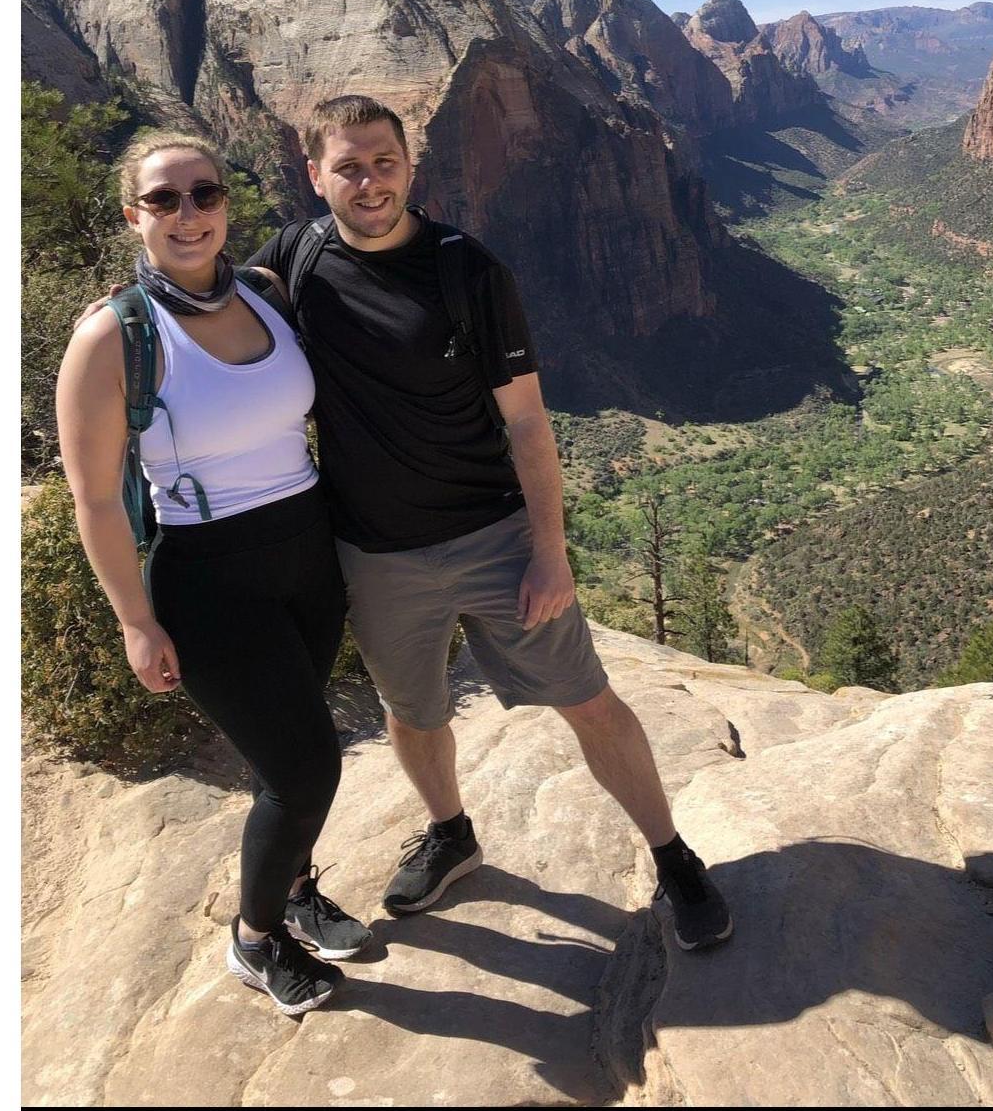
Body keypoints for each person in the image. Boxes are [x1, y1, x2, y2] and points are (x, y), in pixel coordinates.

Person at [247, 95, 733, 951]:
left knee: (587, 698)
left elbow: (529, 422)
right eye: (349, 165)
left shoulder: (467, 269)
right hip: (375, 552)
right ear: (314, 172)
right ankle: (451, 833)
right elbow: (222, 302)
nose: (369, 182)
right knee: (413, 709)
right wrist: (147, 297)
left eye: (384, 163)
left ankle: (673, 857)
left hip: (494, 538)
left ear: (411, 167)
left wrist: (551, 552)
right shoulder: (296, 253)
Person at [55, 130, 371, 1017]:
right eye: (164, 199)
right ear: (134, 215)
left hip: (306, 553)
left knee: (301, 735)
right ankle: (256, 937)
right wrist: (134, 619)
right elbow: (94, 501)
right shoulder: (111, 338)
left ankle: (297, 885)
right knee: (302, 770)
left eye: (204, 194)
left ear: (227, 204)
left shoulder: (266, 294)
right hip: (208, 574)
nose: (187, 213)